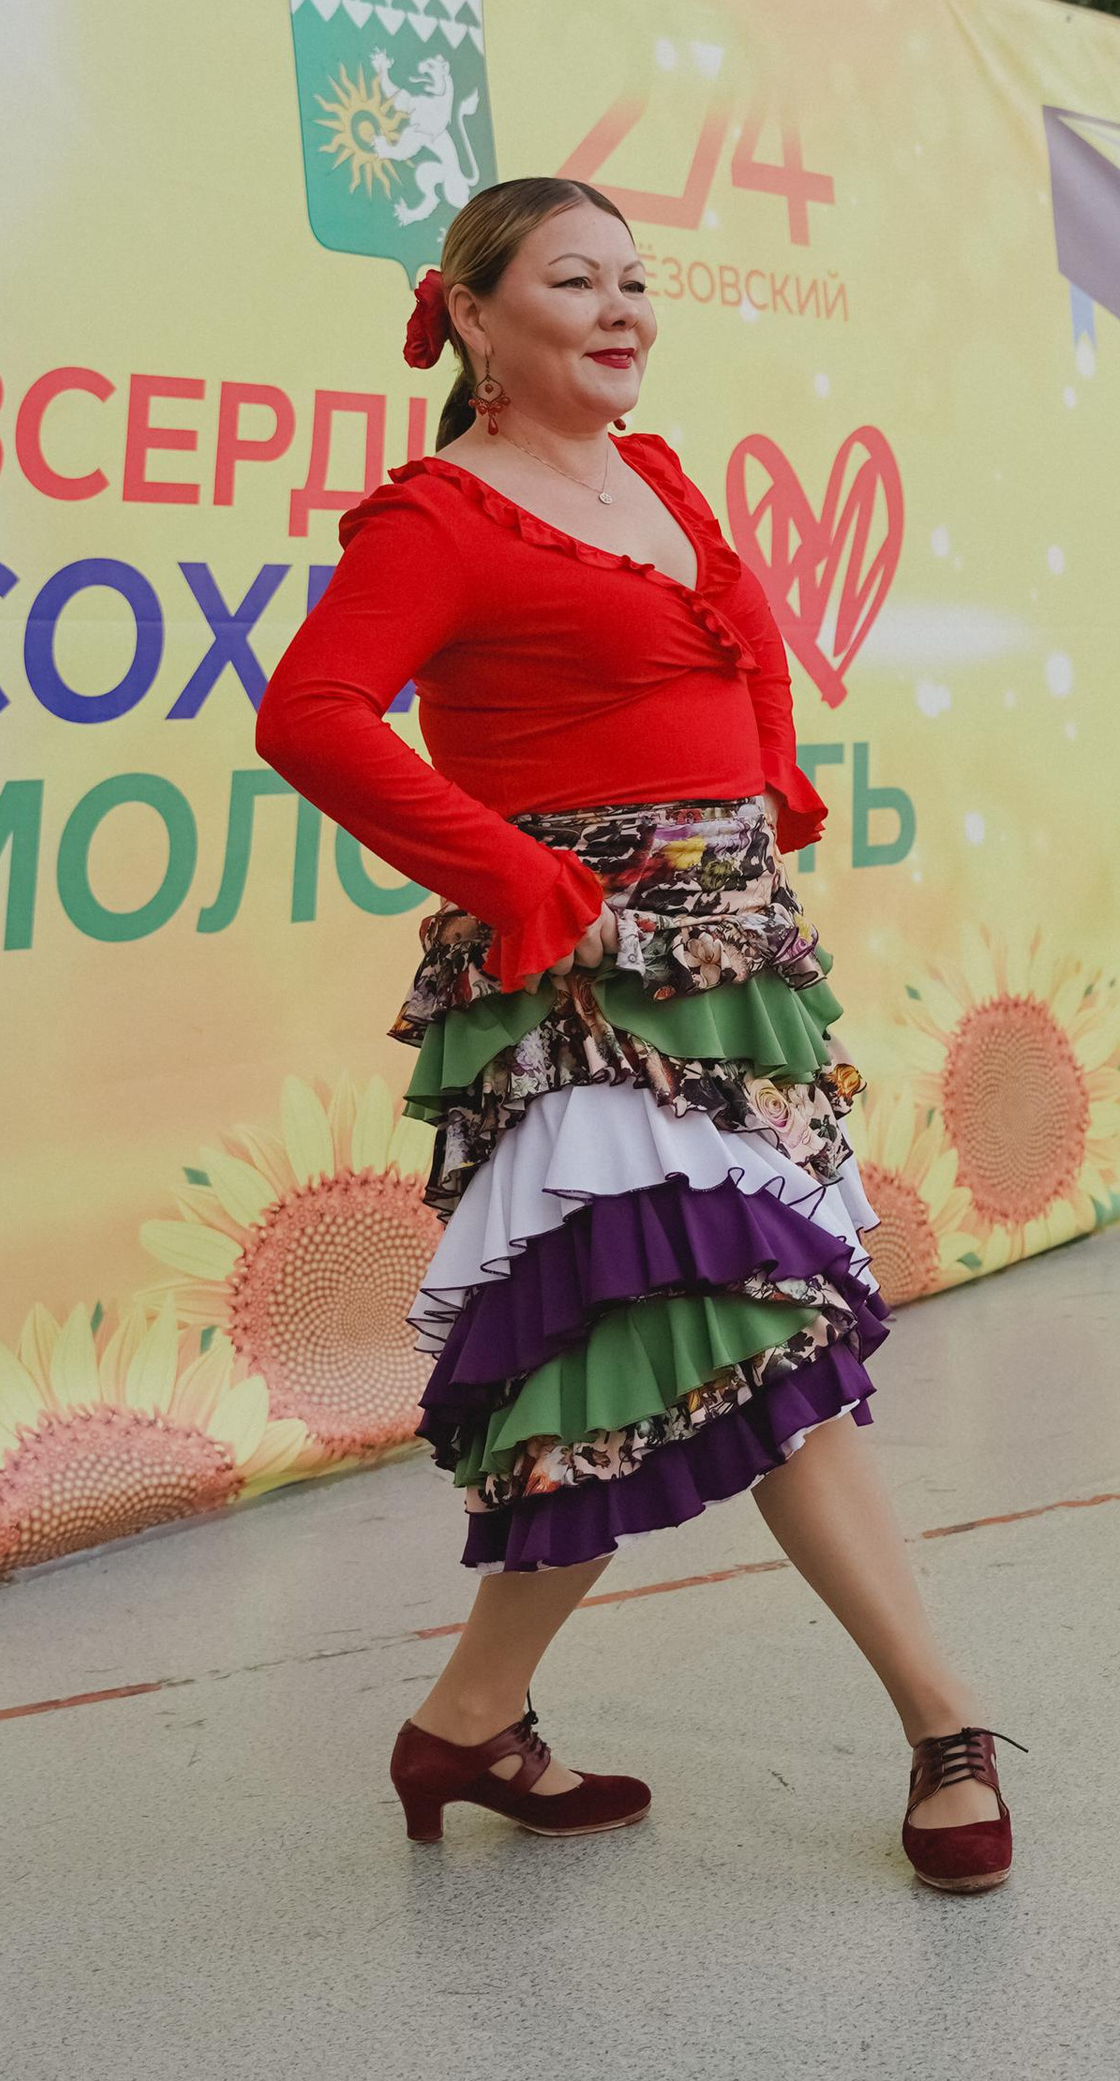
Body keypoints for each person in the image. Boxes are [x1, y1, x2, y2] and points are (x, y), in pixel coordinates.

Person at [255, 176, 1017, 1892]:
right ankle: (941, 1721)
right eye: (576, 282)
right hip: (582, 978)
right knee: (756, 1342)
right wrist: (517, 873)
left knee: (661, 1364)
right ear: (472, 315)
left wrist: (771, 778)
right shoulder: (437, 518)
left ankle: (469, 1717)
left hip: (731, 960)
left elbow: (741, 637)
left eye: (638, 281)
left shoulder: (658, 477)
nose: (625, 311)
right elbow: (307, 716)